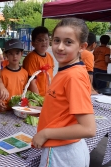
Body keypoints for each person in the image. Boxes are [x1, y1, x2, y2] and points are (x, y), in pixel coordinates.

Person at [32, 18, 96, 167]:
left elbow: (88, 128)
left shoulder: (73, 76)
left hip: (62, 152)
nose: (60, 47)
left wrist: (45, 133)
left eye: (68, 42)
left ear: (82, 46)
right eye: (56, 40)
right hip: (64, 149)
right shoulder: (66, 71)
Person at [0, 39, 39, 112]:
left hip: (18, 110)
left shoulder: (25, 73)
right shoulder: (1, 73)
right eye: (11, 53)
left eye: (17, 53)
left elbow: (25, 91)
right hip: (4, 110)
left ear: (22, 53)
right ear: (6, 55)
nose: (14, 56)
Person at [22, 26, 54, 97]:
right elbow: (31, 81)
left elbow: (51, 77)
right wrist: (38, 99)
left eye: (46, 39)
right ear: (33, 43)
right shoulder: (31, 58)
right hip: (35, 97)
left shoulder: (49, 57)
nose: (44, 42)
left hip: (48, 95)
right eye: (40, 40)